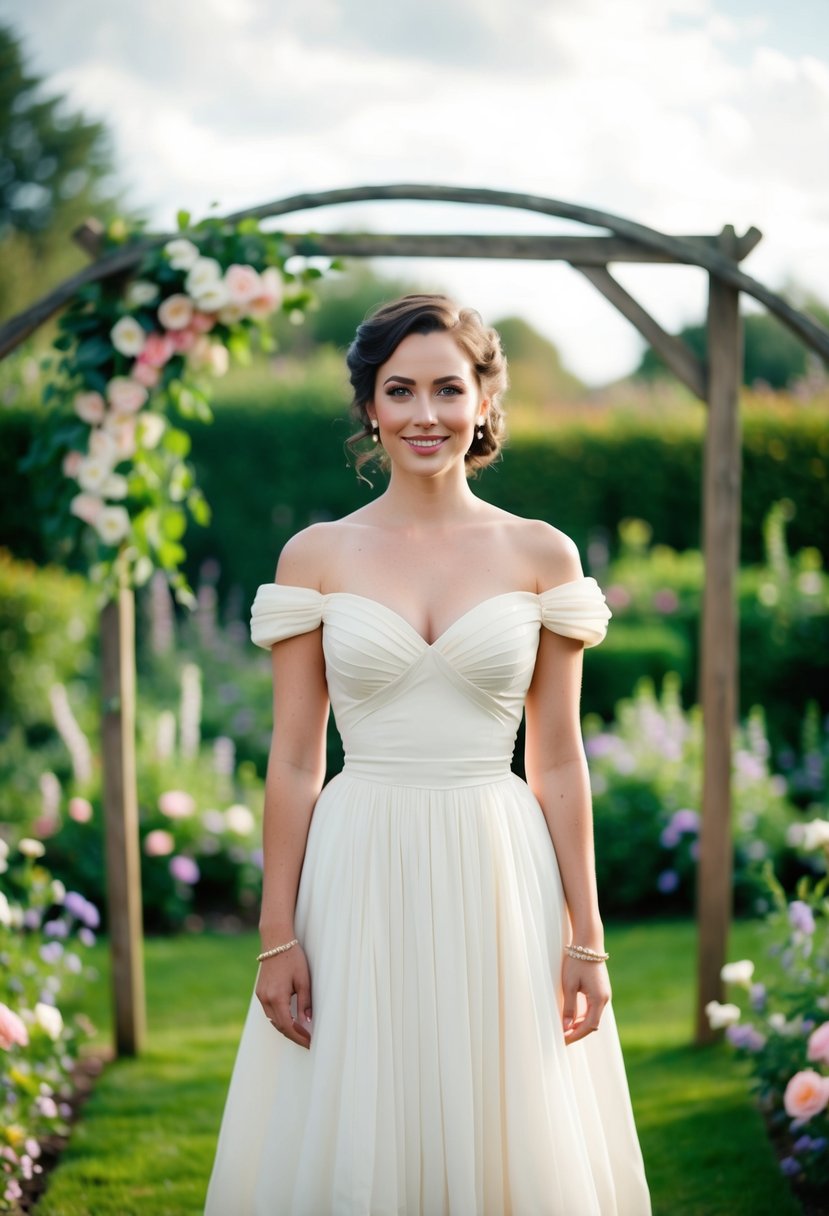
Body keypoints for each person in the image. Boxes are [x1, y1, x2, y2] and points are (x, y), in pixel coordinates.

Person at [205, 295, 652, 1215]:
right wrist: (275, 932)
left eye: (448, 388)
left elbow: (559, 761)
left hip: (498, 866)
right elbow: (294, 761)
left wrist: (586, 936)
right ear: (369, 405)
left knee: (501, 1123)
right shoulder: (315, 557)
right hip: (357, 862)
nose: (423, 413)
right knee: (363, 1111)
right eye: (398, 389)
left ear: (484, 400)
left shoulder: (541, 555)